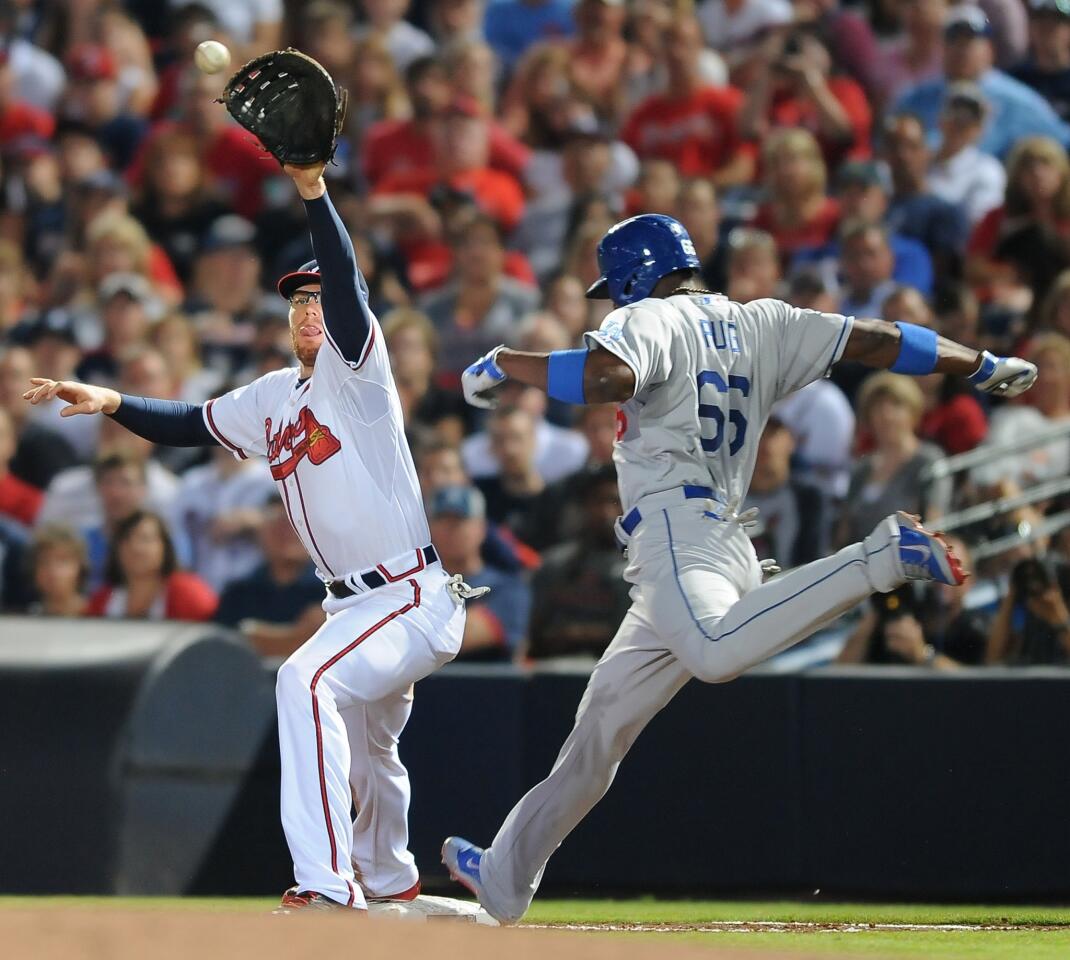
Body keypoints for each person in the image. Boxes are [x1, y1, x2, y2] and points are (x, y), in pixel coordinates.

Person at [442, 211, 1036, 924]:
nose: (612, 301)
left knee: (717, 650)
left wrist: (508, 363)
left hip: (677, 532)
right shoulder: (764, 321)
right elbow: (875, 341)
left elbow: (605, 375)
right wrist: (978, 363)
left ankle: (879, 557)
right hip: (717, 537)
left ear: (633, 275)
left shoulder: (652, 317)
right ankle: (505, 875)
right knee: (599, 729)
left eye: (614, 287)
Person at [22, 160, 485, 914]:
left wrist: (313, 192)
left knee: (302, 681)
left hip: (409, 593)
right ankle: (394, 886)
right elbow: (190, 423)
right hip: (356, 606)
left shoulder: (359, 375)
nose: (309, 311)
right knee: (371, 752)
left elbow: (344, 276)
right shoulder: (274, 395)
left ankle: (329, 887)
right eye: (298, 302)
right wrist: (110, 400)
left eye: (319, 299)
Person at [527, 464, 630, 659]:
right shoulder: (555, 564)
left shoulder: (645, 566)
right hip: (554, 670)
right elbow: (535, 635)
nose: (606, 512)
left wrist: (577, 633)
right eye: (597, 501)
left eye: (614, 501)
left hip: (621, 668)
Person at [427, 484, 531, 661]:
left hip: (487, 686)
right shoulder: (419, 583)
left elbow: (459, 636)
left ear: (481, 529)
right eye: (443, 521)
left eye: (460, 521)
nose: (451, 530)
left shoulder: (507, 586)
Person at [215, 497, 328, 656]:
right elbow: (219, 647)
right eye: (278, 525)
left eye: (296, 526)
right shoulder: (239, 593)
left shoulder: (333, 593)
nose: (287, 534)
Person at [86, 509, 217, 621]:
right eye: (126, 539)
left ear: (165, 547)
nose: (136, 547)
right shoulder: (102, 601)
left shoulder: (188, 593)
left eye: (145, 539)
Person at [26, 524, 89, 618]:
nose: (52, 570)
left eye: (62, 561)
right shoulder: (25, 617)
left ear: (80, 567)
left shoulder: (99, 612)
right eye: (44, 562)